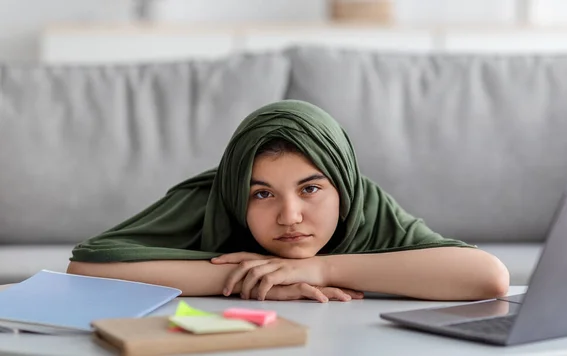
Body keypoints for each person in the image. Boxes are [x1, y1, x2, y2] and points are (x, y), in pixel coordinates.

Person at [67, 100, 509, 302]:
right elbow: (85, 269)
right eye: (261, 194)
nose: (290, 216)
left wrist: (318, 268)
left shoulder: (365, 203)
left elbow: (487, 277)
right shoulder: (211, 198)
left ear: (342, 185)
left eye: (310, 189)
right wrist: (254, 279)